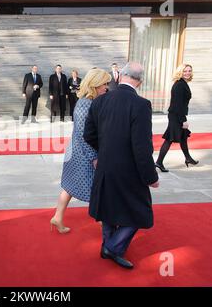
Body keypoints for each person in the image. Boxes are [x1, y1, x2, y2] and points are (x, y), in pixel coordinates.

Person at [84, 62, 159, 269]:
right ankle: (113, 247)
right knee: (139, 211)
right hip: (129, 170)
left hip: (106, 165)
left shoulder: (100, 101)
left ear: (119, 77)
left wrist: (107, 149)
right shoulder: (141, 105)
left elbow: (88, 135)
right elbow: (142, 146)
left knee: (108, 207)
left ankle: (108, 245)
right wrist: (151, 177)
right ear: (140, 82)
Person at [50, 68, 111, 233]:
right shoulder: (86, 104)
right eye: (104, 83)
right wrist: (94, 157)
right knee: (96, 189)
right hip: (83, 153)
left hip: (77, 151)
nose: (107, 87)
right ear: (95, 85)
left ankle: (58, 217)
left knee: (70, 186)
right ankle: (106, 224)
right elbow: (85, 135)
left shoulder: (87, 102)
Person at [155, 64, 198, 172]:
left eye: (189, 71)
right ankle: (159, 162)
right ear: (180, 72)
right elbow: (178, 105)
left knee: (183, 137)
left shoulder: (182, 83)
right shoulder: (179, 85)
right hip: (176, 116)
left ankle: (188, 158)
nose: (187, 73)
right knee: (169, 139)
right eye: (185, 71)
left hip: (176, 114)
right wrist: (183, 120)